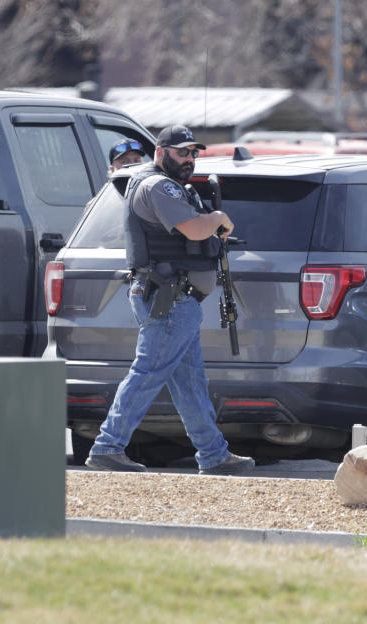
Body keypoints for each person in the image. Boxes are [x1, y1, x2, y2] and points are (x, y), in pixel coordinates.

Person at [85, 124, 255, 475]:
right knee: (147, 373)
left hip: (179, 301)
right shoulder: (158, 185)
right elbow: (194, 230)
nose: (190, 159)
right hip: (170, 299)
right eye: (182, 152)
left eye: (194, 152)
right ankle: (107, 446)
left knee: (190, 382)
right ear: (161, 153)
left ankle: (213, 454)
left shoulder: (166, 185)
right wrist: (217, 218)